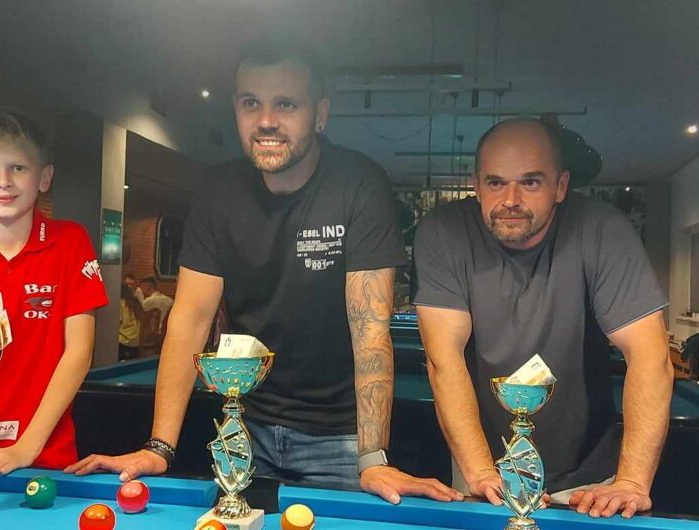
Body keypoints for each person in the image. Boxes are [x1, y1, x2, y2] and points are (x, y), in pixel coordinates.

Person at [66, 37, 459, 504]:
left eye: (286, 104)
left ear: (320, 114)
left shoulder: (358, 184)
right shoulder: (217, 190)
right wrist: (160, 446)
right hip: (244, 425)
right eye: (251, 103)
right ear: (235, 108)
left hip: (339, 438)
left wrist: (372, 457)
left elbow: (369, 330)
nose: (266, 120)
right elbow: (190, 320)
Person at [410, 117, 673, 519]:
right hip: (486, 475)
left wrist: (633, 482)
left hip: (590, 486)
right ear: (476, 185)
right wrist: (481, 471)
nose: (511, 199)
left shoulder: (604, 230)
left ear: (561, 186)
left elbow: (650, 356)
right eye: (496, 182)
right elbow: (443, 360)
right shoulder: (443, 232)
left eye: (531, 182)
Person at [0, 107, 108, 489]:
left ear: (44, 177)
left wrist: (26, 446)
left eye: (18, 167)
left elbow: (78, 353)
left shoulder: (70, 242)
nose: (3, 181)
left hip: (45, 460)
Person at [118, 284, 142, 360]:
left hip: (124, 341)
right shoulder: (136, 302)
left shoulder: (120, 303)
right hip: (137, 341)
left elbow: (115, 323)